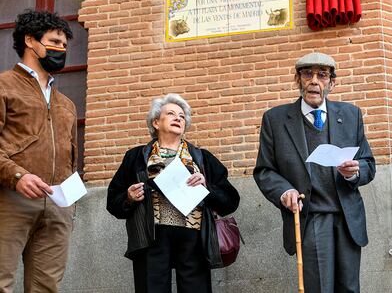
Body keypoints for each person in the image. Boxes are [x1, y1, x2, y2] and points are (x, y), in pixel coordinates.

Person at [254, 52, 376, 293]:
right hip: (310, 218)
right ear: (297, 80)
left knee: (350, 288)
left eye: (322, 75)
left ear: (332, 83)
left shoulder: (351, 115)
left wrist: (354, 172)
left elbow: (368, 164)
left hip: (347, 218)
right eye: (307, 74)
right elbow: (264, 170)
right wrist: (284, 190)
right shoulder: (275, 119)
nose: (314, 81)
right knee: (319, 288)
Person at [107, 93, 240, 293]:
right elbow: (113, 201)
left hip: (193, 238)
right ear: (156, 123)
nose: (178, 118)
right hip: (152, 237)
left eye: (182, 116)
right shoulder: (136, 157)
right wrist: (128, 197)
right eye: (171, 114)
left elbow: (230, 200)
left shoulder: (201, 158)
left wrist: (206, 188)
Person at [0, 10, 77, 292]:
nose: (61, 50)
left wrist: (70, 206)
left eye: (65, 45)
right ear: (30, 41)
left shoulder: (66, 104)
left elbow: (70, 159)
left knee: (46, 287)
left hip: (57, 207)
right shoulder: (3, 86)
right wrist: (17, 175)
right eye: (55, 42)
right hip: (9, 199)